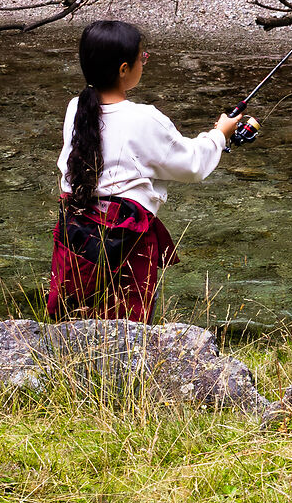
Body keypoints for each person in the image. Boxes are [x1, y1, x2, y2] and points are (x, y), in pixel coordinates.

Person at [51, 19, 255, 322]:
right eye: (142, 57)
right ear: (123, 69)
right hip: (126, 236)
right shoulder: (144, 118)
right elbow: (192, 165)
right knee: (127, 321)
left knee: (78, 314)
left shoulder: (74, 109)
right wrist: (220, 134)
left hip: (76, 229)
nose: (143, 62)